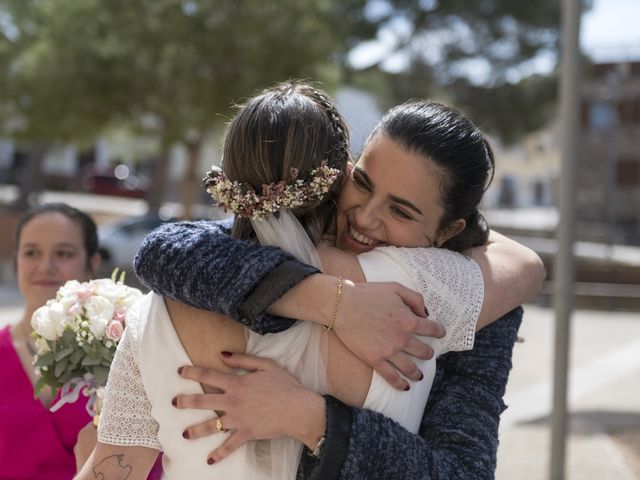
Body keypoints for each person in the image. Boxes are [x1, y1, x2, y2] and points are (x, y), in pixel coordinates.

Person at [80, 83, 542, 479]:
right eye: (361, 182)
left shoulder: (465, 301)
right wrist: (332, 300)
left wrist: (312, 419)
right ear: (339, 172)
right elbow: (166, 250)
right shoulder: (219, 262)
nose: (365, 216)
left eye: (400, 211)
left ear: (449, 232)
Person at [0, 203, 101, 479]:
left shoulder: (120, 356)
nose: (45, 266)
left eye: (63, 253)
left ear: (92, 263)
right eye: (31, 252)